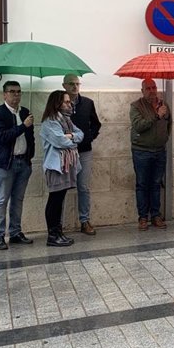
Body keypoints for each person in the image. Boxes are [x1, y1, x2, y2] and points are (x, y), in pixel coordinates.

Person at [0, 81, 35, 250]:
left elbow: (31, 138)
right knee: (1, 200)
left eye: (18, 92)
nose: (16, 95)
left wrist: (30, 156)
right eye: (12, 92)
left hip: (23, 162)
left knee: (18, 200)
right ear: (5, 94)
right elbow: (2, 137)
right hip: (5, 164)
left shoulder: (25, 112)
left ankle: (15, 232)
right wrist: (23, 126)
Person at [40, 90, 84, 247]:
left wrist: (70, 136)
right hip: (56, 167)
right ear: (57, 103)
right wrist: (71, 139)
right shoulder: (50, 122)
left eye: (69, 101)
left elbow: (80, 134)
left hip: (66, 165)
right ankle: (52, 235)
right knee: (55, 200)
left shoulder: (67, 121)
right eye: (66, 101)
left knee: (59, 200)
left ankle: (58, 232)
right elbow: (60, 142)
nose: (69, 104)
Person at [63, 74, 101, 236]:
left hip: (84, 151)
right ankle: (58, 225)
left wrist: (88, 137)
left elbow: (96, 124)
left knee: (83, 187)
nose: (75, 87)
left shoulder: (87, 103)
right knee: (62, 188)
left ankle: (84, 221)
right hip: (65, 152)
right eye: (71, 84)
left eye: (77, 84)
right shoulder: (60, 104)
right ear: (64, 85)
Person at [130, 79, 171, 231]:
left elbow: (169, 124)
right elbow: (139, 126)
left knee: (156, 184)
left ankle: (156, 216)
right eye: (148, 88)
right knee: (142, 184)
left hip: (159, 151)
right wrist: (156, 115)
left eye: (154, 87)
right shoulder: (136, 106)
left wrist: (164, 138)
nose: (152, 90)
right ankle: (142, 218)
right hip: (142, 151)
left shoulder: (164, 105)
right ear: (142, 90)